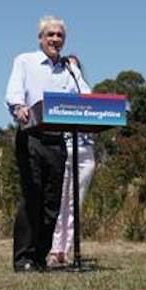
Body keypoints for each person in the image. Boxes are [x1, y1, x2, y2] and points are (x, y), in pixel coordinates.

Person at [4, 15, 84, 272]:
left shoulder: (68, 68)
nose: (55, 39)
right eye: (50, 35)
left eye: (59, 35)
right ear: (40, 39)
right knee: (32, 197)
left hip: (58, 140)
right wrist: (18, 106)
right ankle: (23, 258)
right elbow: (14, 91)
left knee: (52, 201)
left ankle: (40, 256)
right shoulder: (25, 61)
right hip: (31, 137)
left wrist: (76, 71)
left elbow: (86, 96)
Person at [48, 55, 96, 266]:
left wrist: (76, 71)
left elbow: (88, 97)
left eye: (74, 64)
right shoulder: (56, 86)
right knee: (60, 201)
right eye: (67, 63)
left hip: (85, 150)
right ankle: (53, 247)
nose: (69, 66)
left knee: (76, 203)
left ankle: (66, 250)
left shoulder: (79, 83)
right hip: (62, 148)